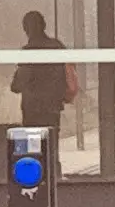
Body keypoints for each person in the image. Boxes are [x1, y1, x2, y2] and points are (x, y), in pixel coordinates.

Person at [13, 11, 73, 140]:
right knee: (52, 144)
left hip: (32, 110)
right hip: (52, 107)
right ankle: (53, 160)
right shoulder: (57, 46)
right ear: (44, 25)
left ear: (26, 29)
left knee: (35, 148)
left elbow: (18, 84)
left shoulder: (28, 51)